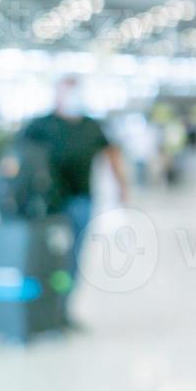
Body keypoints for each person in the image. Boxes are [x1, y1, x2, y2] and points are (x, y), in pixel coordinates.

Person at [22, 77, 130, 303]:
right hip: (48, 202)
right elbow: (18, 158)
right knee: (47, 255)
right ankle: (43, 306)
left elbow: (112, 154)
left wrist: (122, 186)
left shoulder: (91, 126)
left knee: (73, 256)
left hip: (81, 199)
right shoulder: (40, 125)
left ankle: (64, 307)